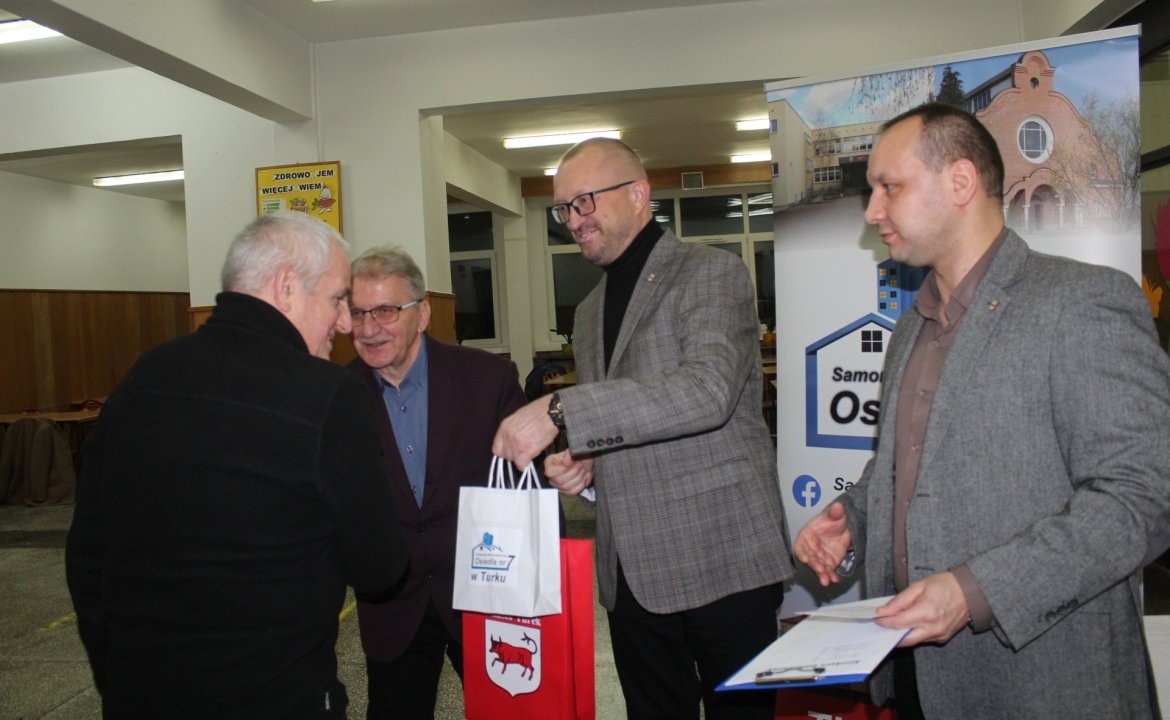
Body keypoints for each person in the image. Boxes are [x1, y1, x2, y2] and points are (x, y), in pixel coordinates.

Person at [794, 103, 1170, 718]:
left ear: (961, 182)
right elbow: (903, 468)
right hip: (917, 677)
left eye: (890, 187)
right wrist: (854, 520)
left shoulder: (1081, 302)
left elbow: (1141, 499)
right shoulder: (910, 330)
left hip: (1045, 688)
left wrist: (975, 592)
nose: (872, 212)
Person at [493, 138, 793, 720]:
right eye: (563, 208)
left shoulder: (712, 273)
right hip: (629, 575)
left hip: (722, 561)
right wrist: (588, 465)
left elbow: (707, 392)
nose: (573, 220)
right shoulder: (588, 312)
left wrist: (562, 410)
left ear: (638, 194)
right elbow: (629, 419)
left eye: (585, 201)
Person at [65, 212, 409, 720]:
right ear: (286, 286)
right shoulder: (327, 394)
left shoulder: (144, 376)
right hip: (277, 697)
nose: (344, 323)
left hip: (140, 694)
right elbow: (381, 568)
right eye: (338, 300)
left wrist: (115, 677)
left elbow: (87, 556)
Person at [345, 247, 529, 720]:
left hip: (487, 600)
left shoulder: (488, 379)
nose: (368, 328)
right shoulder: (336, 396)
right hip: (392, 607)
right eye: (358, 313)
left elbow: (530, 491)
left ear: (423, 313)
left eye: (385, 311)